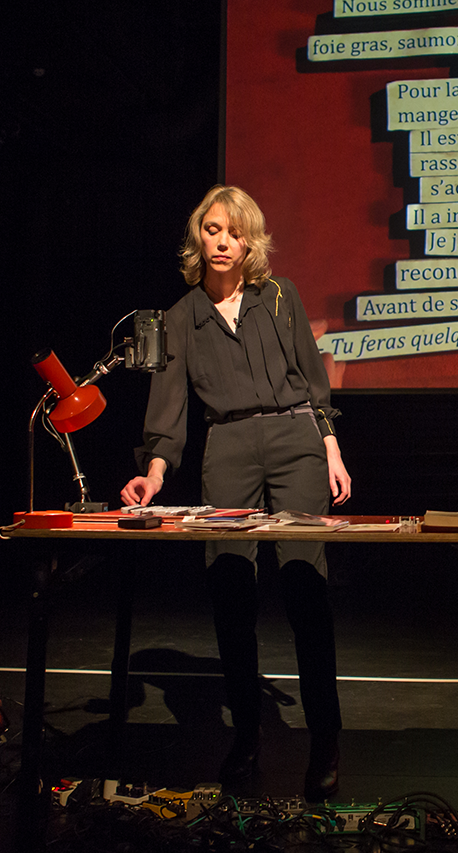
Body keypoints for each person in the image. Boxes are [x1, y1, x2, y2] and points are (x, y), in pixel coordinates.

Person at [121, 184, 351, 801]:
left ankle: (324, 736)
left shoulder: (280, 297)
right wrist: (156, 472)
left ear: (251, 241)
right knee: (229, 587)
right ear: (199, 236)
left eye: (236, 232)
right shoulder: (180, 318)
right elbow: (168, 415)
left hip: (294, 440)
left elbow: (311, 377)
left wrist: (329, 447)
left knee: (304, 583)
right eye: (213, 229)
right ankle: (246, 736)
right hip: (226, 447)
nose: (223, 242)